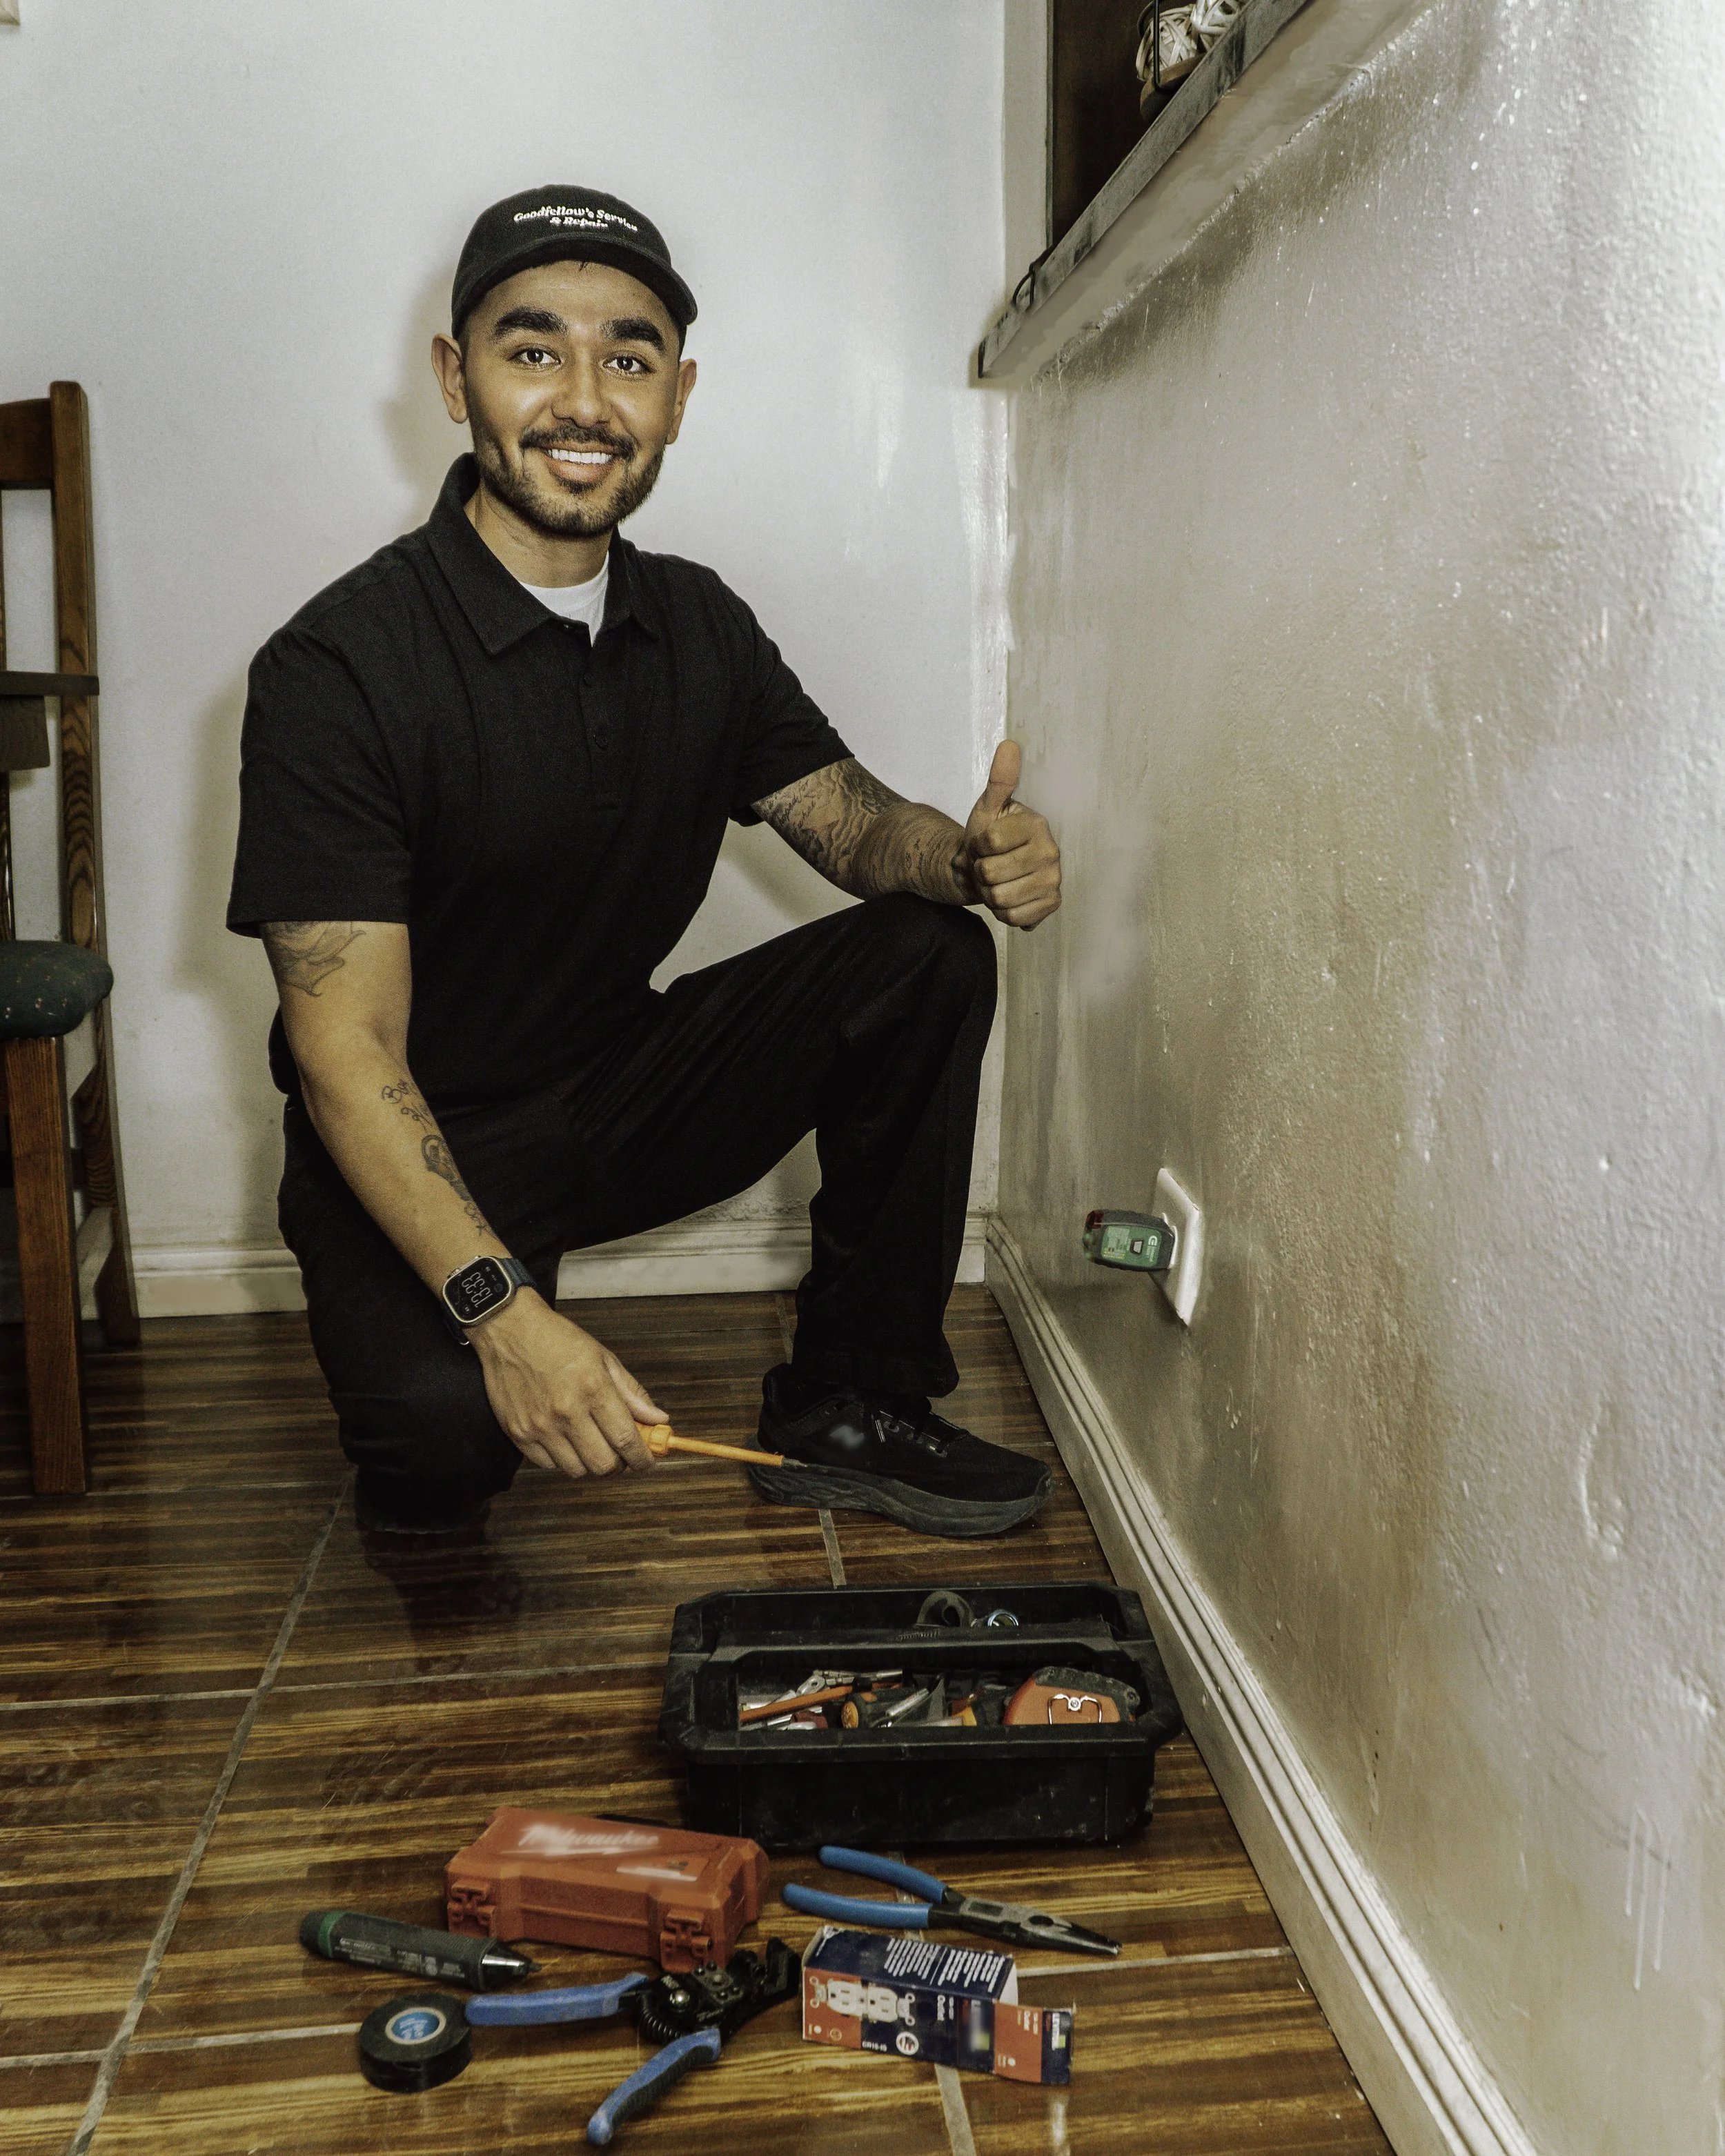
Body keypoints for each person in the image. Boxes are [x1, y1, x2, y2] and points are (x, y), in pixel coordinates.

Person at [226, 184, 1063, 1541]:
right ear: (455, 377)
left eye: (627, 358)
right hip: (409, 1135)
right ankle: (469, 1328)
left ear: (677, 397)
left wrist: (963, 860)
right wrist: (506, 1317)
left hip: (617, 1094)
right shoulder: (338, 669)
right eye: (532, 348)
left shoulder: (698, 624)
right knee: (439, 1460)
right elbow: (346, 1053)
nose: (582, 400)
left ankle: (851, 1402)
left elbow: (853, 824)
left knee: (924, 953)